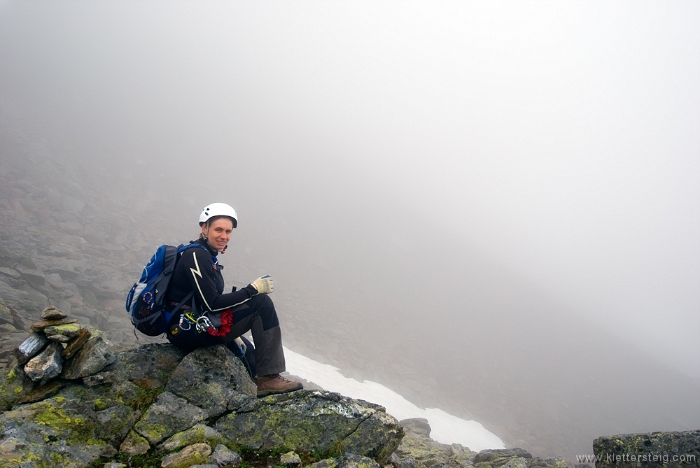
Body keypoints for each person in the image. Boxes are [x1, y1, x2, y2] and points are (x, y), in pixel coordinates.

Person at [165, 202, 303, 397]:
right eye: (218, 230)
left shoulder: (205, 255)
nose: (224, 236)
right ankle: (269, 378)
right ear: (204, 228)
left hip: (194, 324)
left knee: (248, 351)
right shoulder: (196, 256)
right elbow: (211, 303)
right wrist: (252, 290)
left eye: (228, 231)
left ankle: (258, 388)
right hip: (186, 330)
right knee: (261, 304)